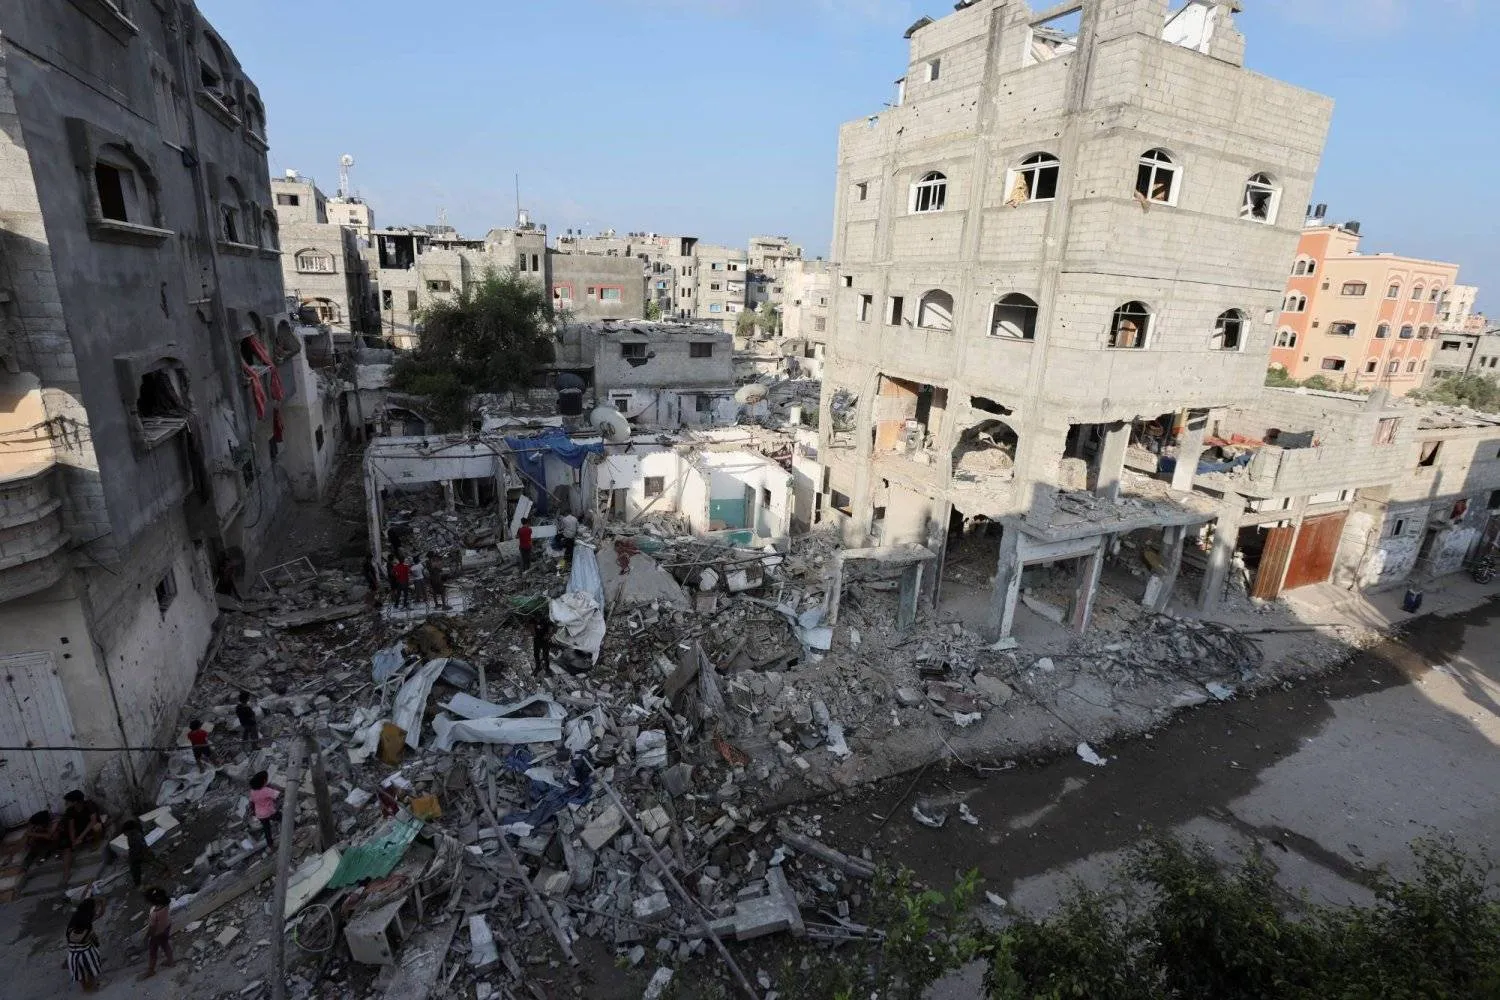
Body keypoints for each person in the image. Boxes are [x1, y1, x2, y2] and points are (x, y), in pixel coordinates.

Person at [60, 791, 106, 888]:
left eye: (68, 802)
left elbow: (93, 821)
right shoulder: (70, 811)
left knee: (97, 827)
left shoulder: (89, 805)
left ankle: (95, 842)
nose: (66, 804)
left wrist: (80, 837)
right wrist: (73, 840)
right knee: (66, 846)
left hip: (90, 830)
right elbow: (71, 827)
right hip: (80, 832)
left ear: (75, 802)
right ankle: (66, 874)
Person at [65, 896, 106, 992]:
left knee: (81, 975)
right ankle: (92, 987)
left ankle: (85, 988)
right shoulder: (88, 924)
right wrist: (103, 904)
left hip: (73, 954)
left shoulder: (75, 918)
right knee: (91, 971)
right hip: (86, 953)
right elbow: (95, 940)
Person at [139, 887, 174, 980]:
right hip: (167, 927)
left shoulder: (154, 913)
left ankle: (151, 970)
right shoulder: (166, 904)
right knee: (165, 945)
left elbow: (152, 927)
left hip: (157, 933)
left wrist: (147, 937)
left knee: (153, 951)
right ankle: (171, 961)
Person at [248, 771, 282, 850]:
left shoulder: (252, 791)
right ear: (263, 781)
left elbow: (251, 802)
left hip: (259, 814)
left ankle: (270, 845)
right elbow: (277, 795)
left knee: (267, 829)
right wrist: (273, 787)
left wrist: (253, 813)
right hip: (269, 812)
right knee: (282, 817)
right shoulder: (266, 790)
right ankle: (294, 827)